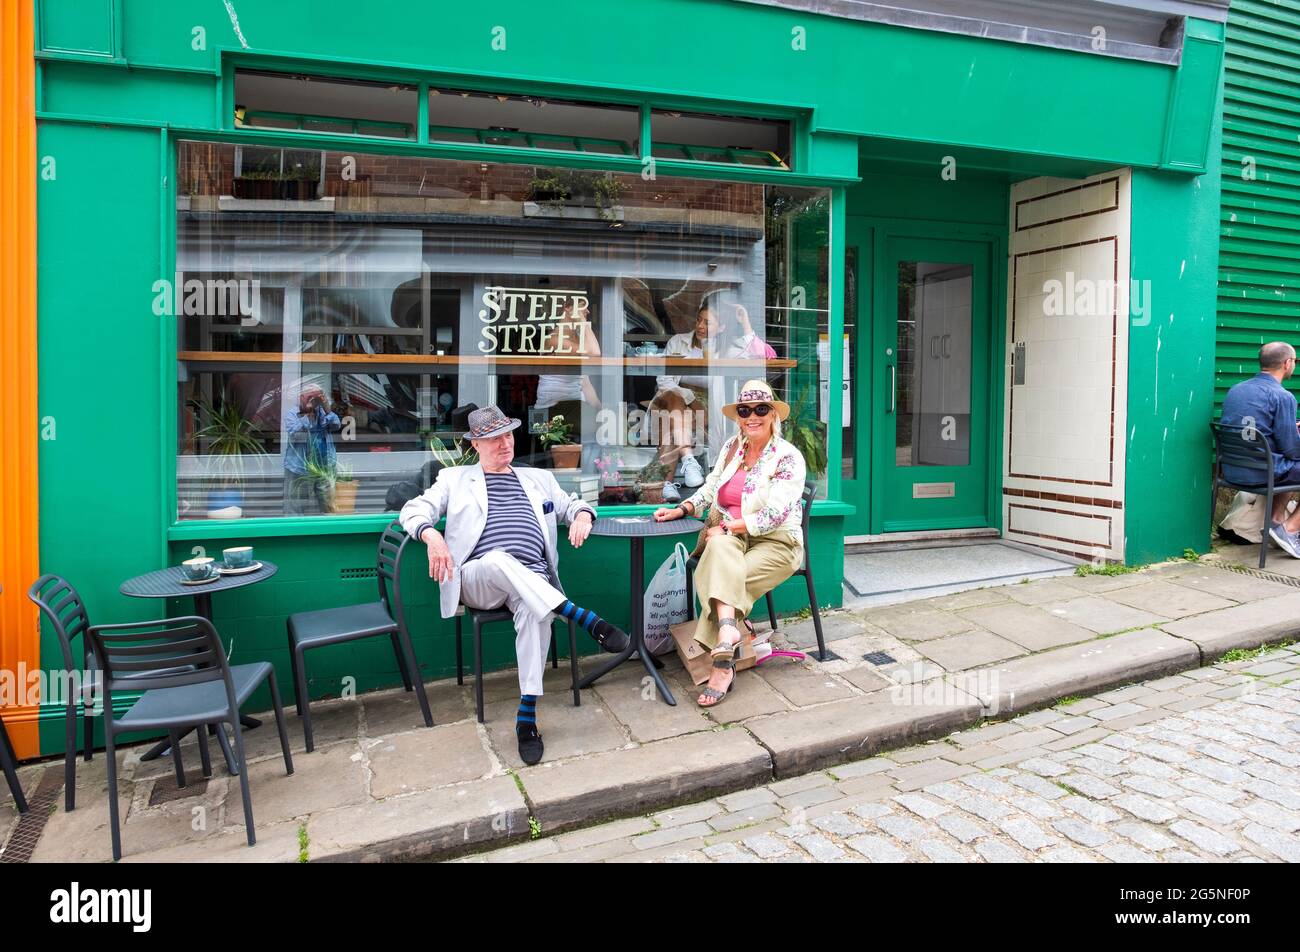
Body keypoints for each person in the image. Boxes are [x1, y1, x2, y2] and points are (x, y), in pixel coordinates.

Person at [399, 405, 630, 765]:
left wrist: (584, 514)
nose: (505, 443)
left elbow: (572, 505)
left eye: (507, 434)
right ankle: (579, 616)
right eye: (494, 438)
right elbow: (413, 510)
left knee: (536, 612)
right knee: (498, 559)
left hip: (533, 584)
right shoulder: (455, 479)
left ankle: (527, 718)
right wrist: (432, 537)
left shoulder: (538, 478)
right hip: (480, 580)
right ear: (475, 443)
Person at [651, 379, 805, 707]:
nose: (752, 416)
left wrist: (730, 526)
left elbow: (776, 513)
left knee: (720, 571)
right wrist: (682, 507)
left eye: (761, 409)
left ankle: (722, 666)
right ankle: (727, 633)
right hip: (732, 538)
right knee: (718, 549)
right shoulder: (732, 448)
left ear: (773, 415)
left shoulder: (788, 457)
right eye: (745, 410)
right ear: (738, 416)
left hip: (777, 543)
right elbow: (710, 488)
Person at [648, 293, 771, 502]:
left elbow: (761, 357)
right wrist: (691, 400)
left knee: (673, 422)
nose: (700, 326)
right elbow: (665, 381)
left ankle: (668, 482)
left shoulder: (726, 349)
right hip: (675, 400)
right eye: (699, 319)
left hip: (709, 408)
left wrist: (746, 323)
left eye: (708, 323)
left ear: (721, 328)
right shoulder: (678, 342)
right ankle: (688, 458)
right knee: (674, 400)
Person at [1220, 341, 1300, 556]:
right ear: (1288, 363)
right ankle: (1289, 529)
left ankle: (1274, 521)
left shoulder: (1236, 390)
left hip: (1233, 469)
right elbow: (1292, 450)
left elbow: (1253, 426)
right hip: (1262, 473)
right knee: (1293, 464)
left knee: (1291, 467)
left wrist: (1290, 428)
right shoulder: (1283, 396)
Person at [283, 383, 341, 515]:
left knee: (328, 505)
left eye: (317, 398)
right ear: (301, 397)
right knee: (296, 506)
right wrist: (308, 414)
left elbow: (336, 425)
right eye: (310, 397)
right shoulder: (292, 414)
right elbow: (295, 434)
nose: (313, 401)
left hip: (324, 465)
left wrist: (327, 408)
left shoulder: (322, 412)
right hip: (299, 466)